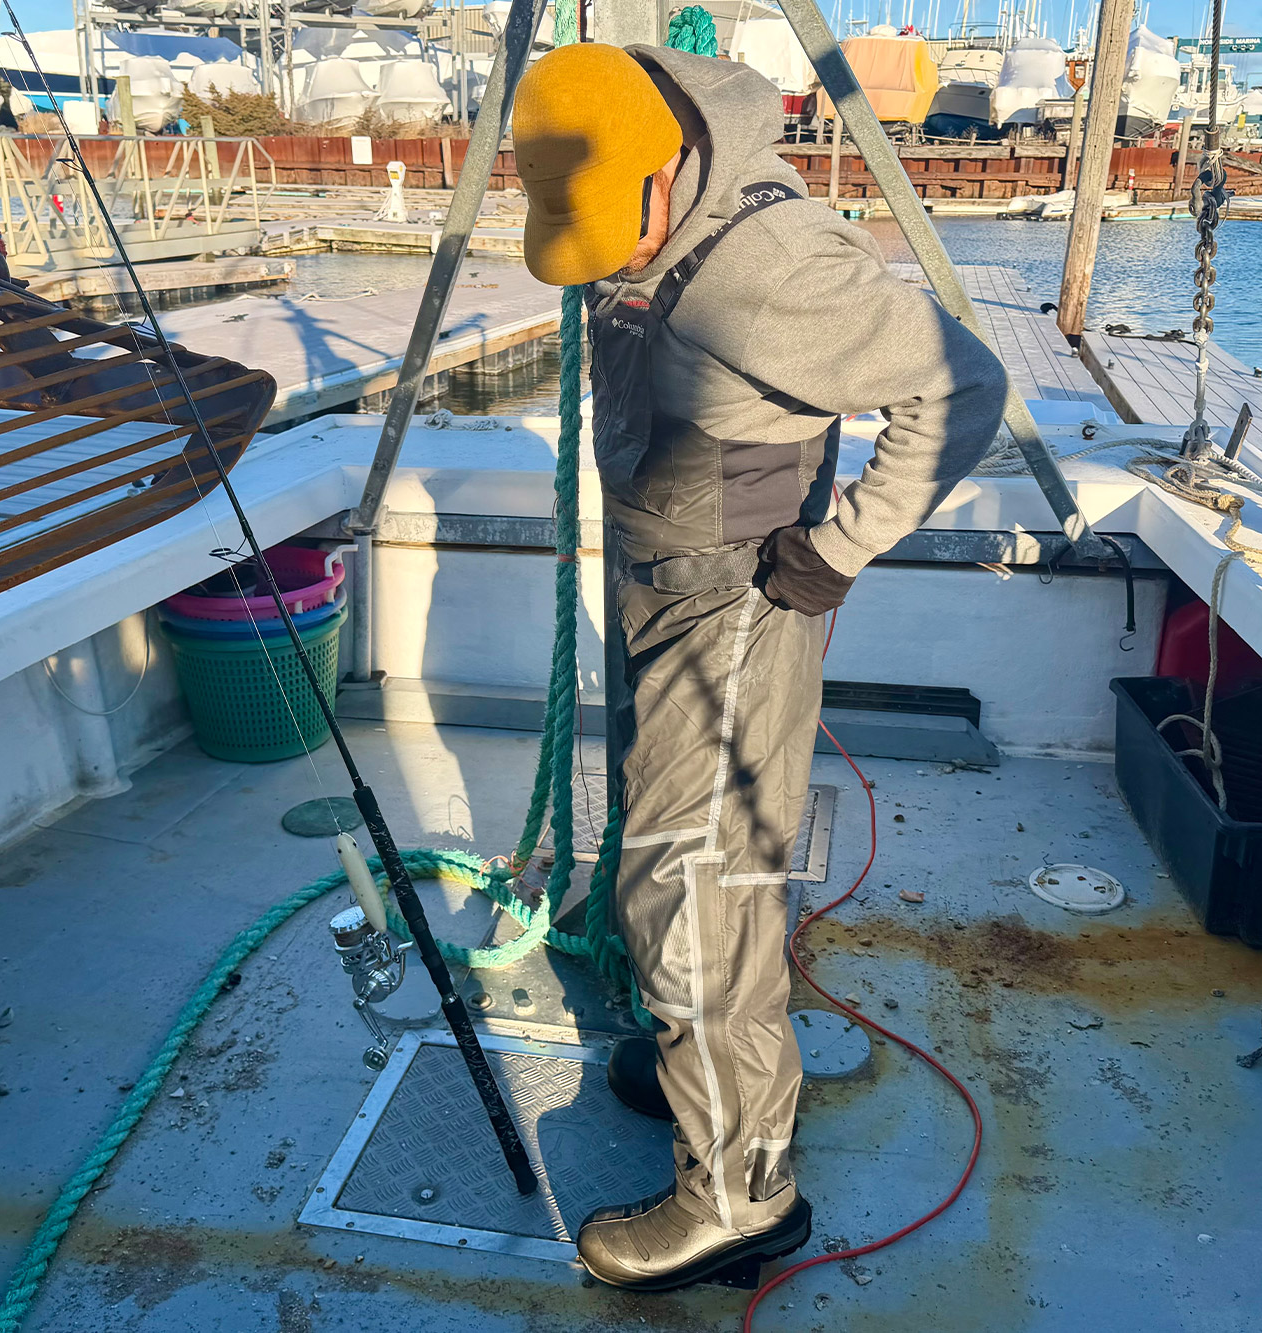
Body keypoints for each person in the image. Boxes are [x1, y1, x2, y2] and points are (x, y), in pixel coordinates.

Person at [512, 41, 1009, 1291]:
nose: (605, 260)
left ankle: (740, 1191)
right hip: (655, 579)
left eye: (608, 232)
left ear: (667, 171)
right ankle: (705, 1067)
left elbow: (963, 385)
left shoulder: (765, 268)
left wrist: (838, 548)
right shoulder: (640, 202)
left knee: (691, 887)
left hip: (734, 597)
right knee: (672, 860)